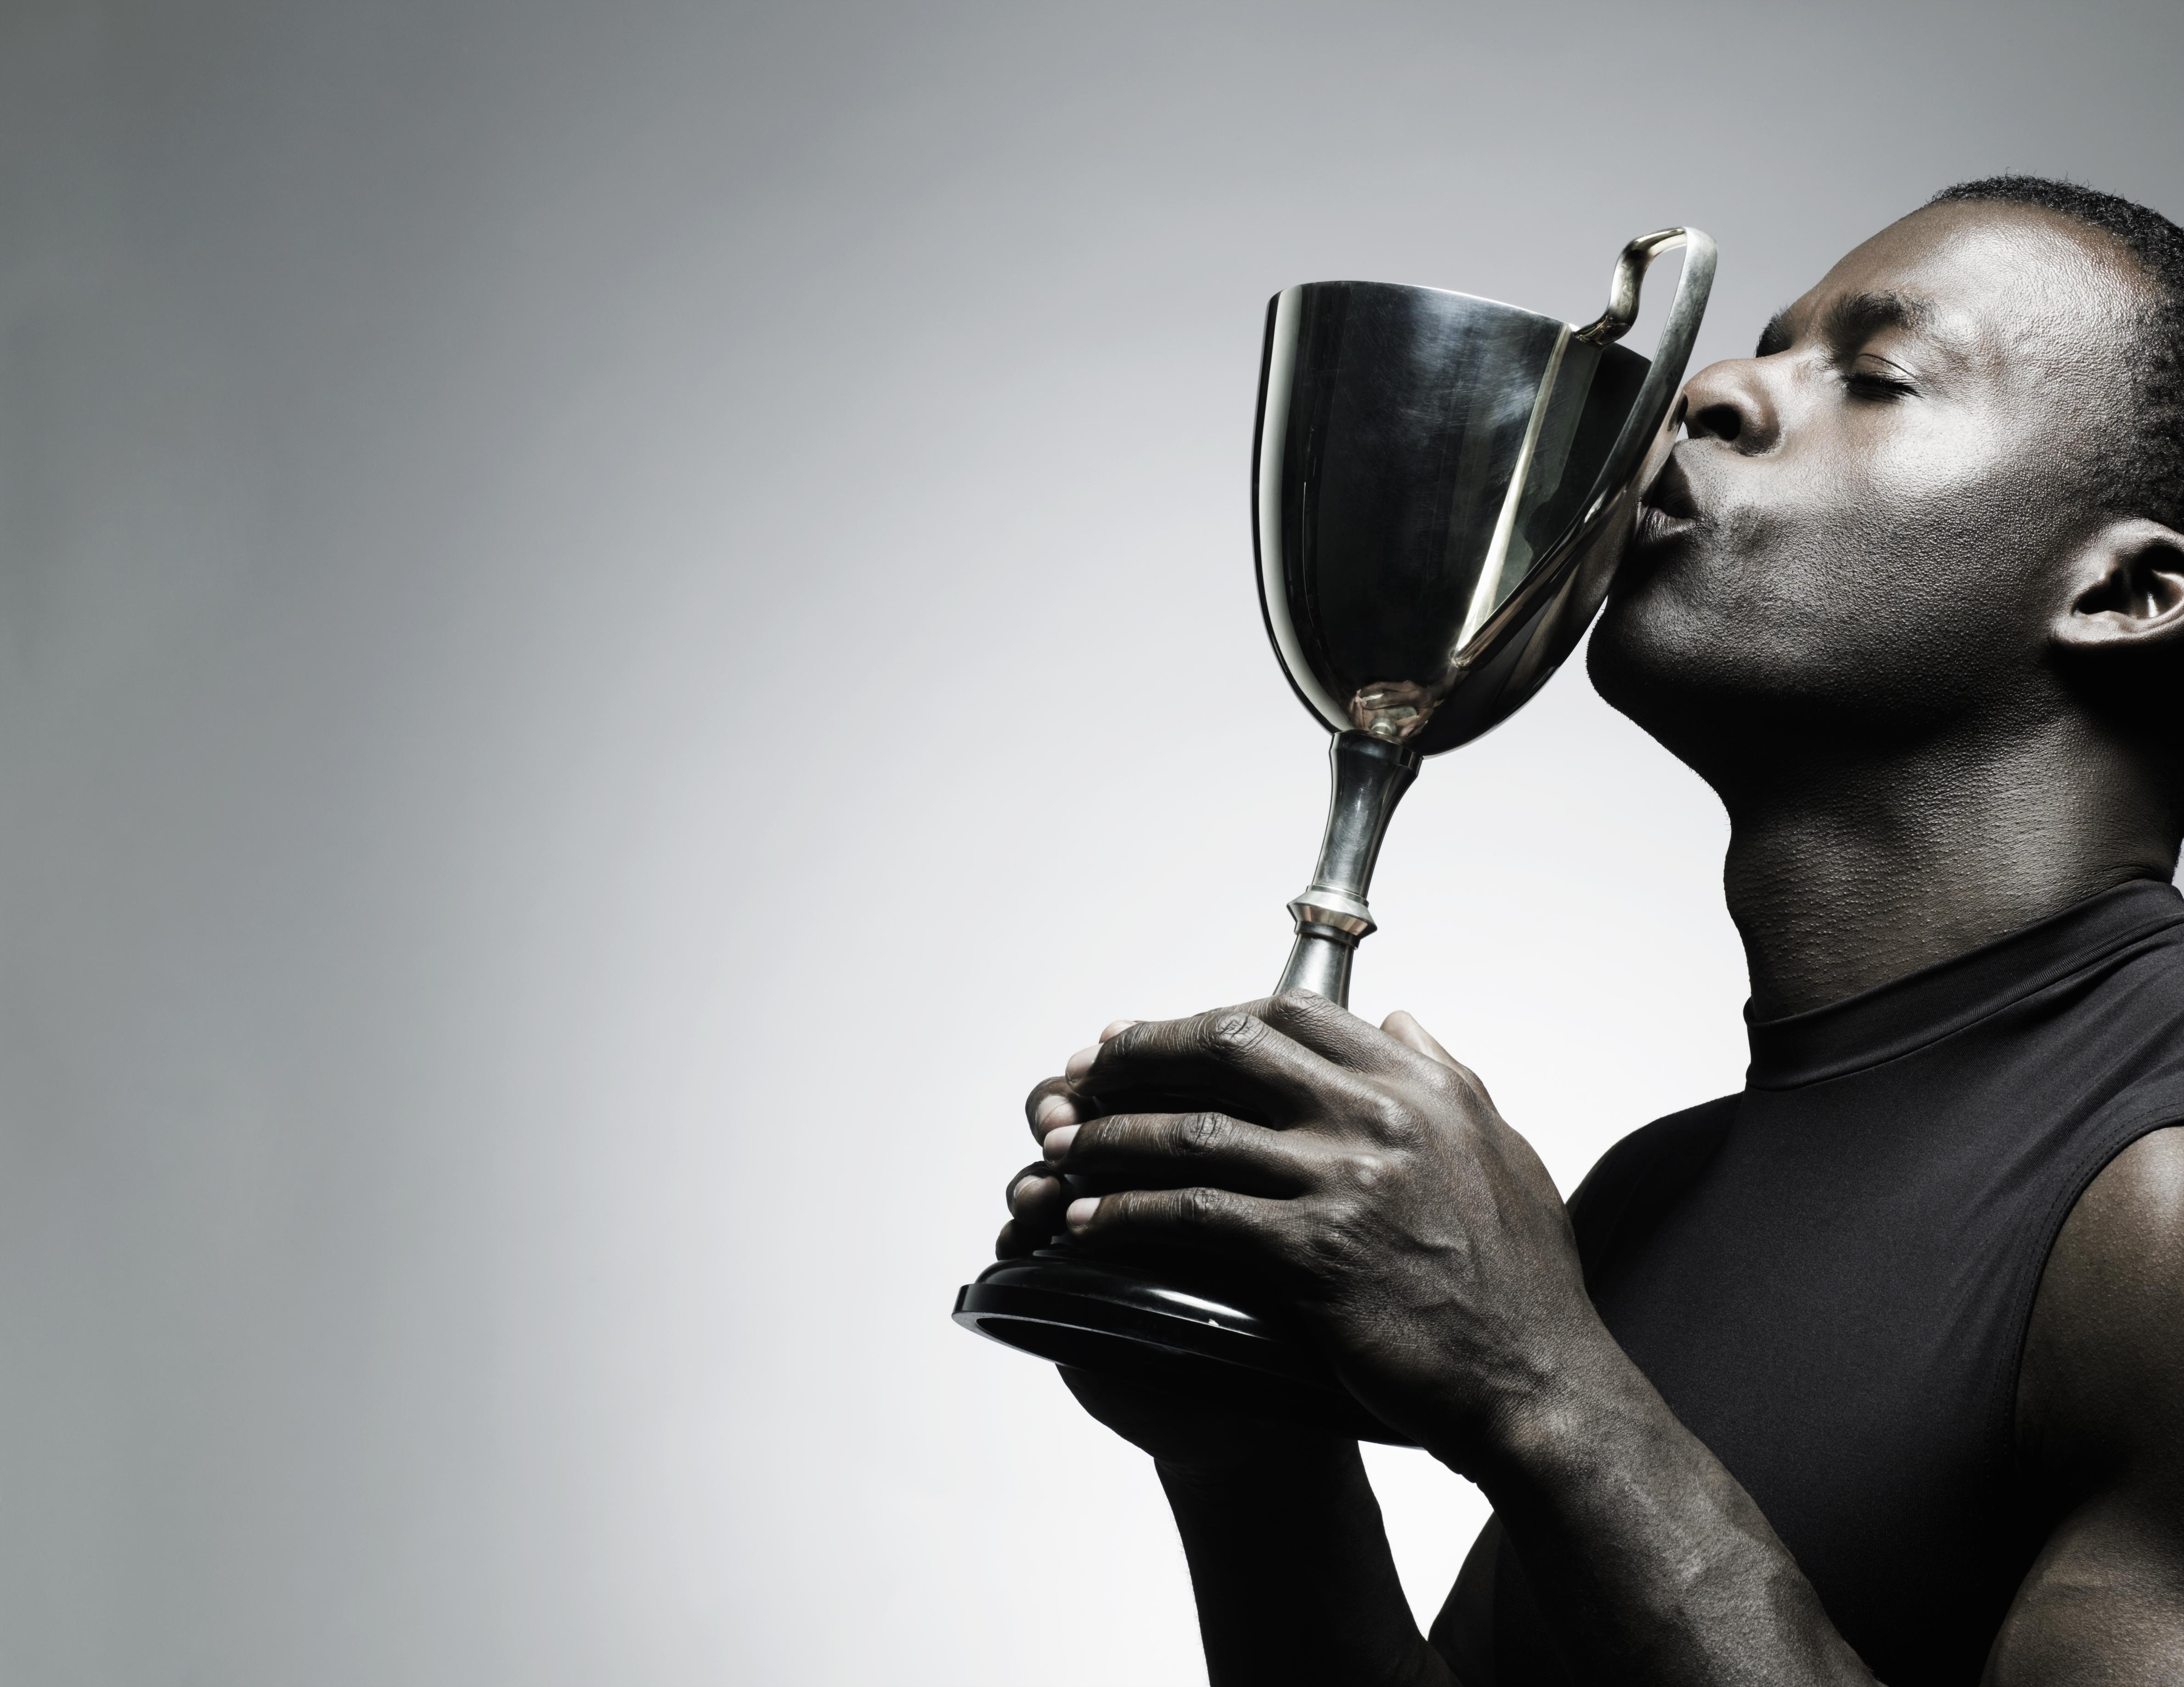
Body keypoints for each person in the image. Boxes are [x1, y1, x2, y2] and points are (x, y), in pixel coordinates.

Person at [996, 177, 2184, 1686]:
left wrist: (1544, 1384)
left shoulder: (2163, 1204)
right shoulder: (1651, 1196)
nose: (1715, 390)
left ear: (2127, 589)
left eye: (1874, 377)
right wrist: (1251, 1453)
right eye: (1764, 347)